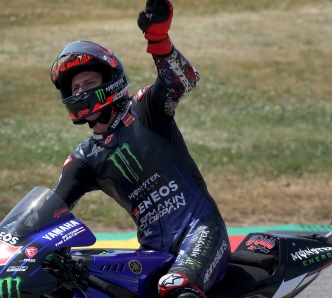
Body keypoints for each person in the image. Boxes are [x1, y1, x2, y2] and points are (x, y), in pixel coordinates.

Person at [48, 0, 230, 297]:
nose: (81, 92)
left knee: (176, 289)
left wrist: (158, 39)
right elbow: (50, 211)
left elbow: (183, 82)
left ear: (109, 82)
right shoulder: (84, 159)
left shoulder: (145, 109)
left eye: (88, 82)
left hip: (200, 231)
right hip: (151, 253)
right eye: (75, 88)